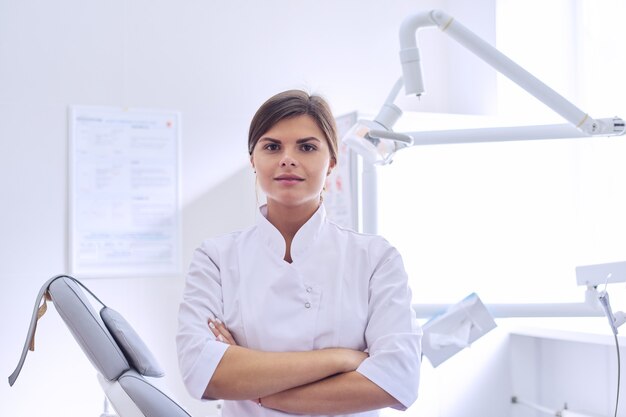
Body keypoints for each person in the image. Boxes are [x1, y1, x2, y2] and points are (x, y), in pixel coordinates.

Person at [176, 90, 421, 417]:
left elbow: (398, 380)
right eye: (272, 146)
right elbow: (201, 374)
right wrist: (342, 359)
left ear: (332, 161)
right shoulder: (216, 258)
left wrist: (256, 387)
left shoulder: (375, 258)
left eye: (306, 147)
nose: (287, 158)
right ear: (253, 160)